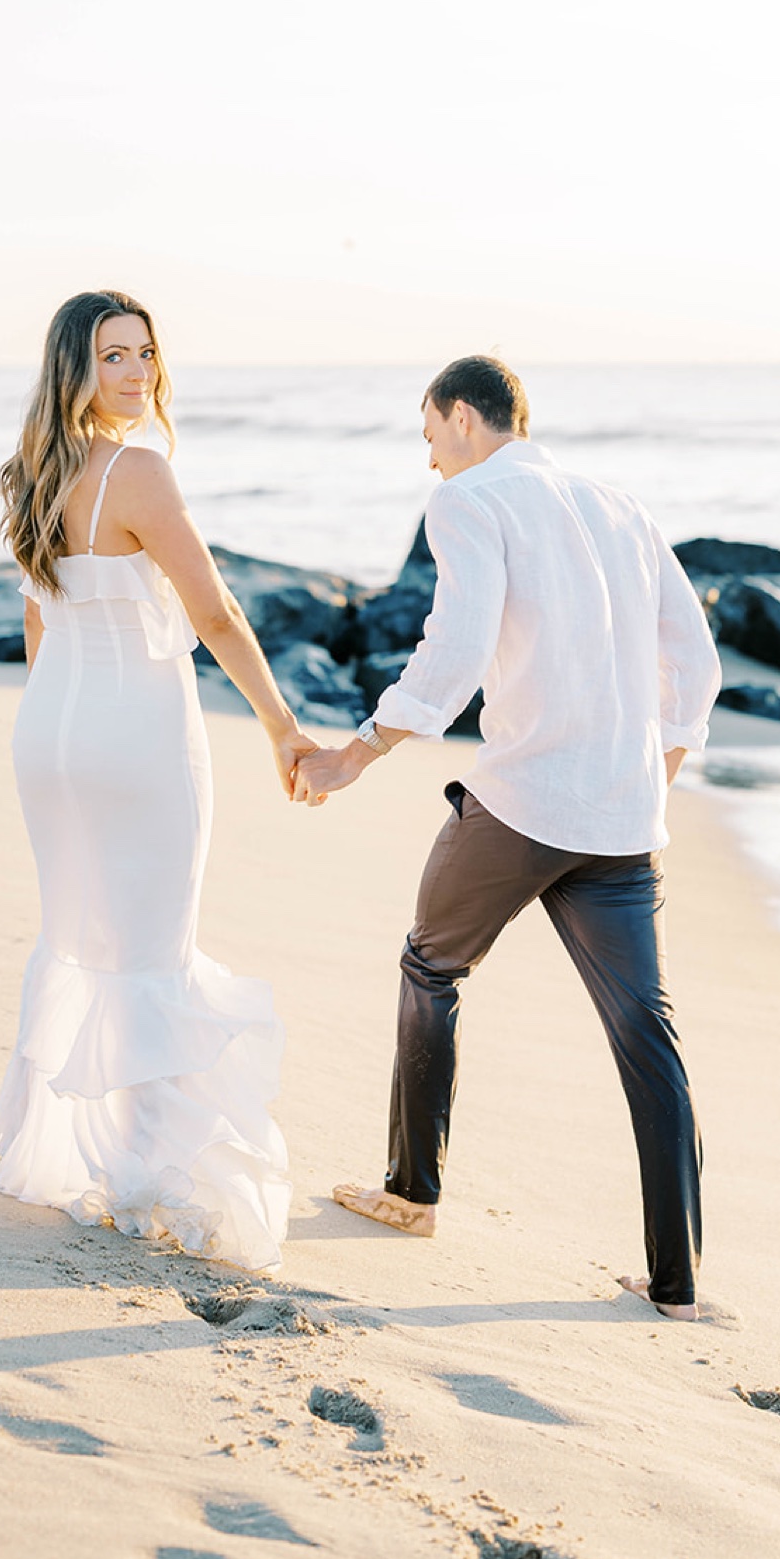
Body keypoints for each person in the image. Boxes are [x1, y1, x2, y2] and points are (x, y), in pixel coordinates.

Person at [293, 355, 722, 1320]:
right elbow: (694, 661)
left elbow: (456, 647)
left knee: (431, 967)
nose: (429, 455)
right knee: (645, 1035)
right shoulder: (620, 503)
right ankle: (677, 1286)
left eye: (428, 431)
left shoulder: (470, 501)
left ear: (460, 416)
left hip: (525, 803)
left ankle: (411, 1194)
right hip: (621, 821)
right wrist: (650, 781)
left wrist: (354, 755)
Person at [0, 289, 316, 1269]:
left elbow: (39, 621)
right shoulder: (140, 472)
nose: (136, 374)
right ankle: (145, 1168)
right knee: (150, 946)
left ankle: (58, 1148)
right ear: (74, 372)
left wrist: (57, 724)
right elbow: (214, 616)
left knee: (79, 936)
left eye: (143, 355)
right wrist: (283, 728)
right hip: (136, 733)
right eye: (113, 357)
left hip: (50, 734)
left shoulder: (30, 476)